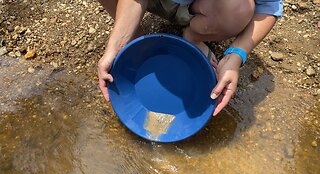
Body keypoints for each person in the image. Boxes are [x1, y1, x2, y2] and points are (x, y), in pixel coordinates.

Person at [97, 0, 283, 116]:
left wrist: (236, 55)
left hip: (207, 7)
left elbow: (269, 7)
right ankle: (136, 39)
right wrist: (115, 47)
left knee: (239, 8)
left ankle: (194, 37)